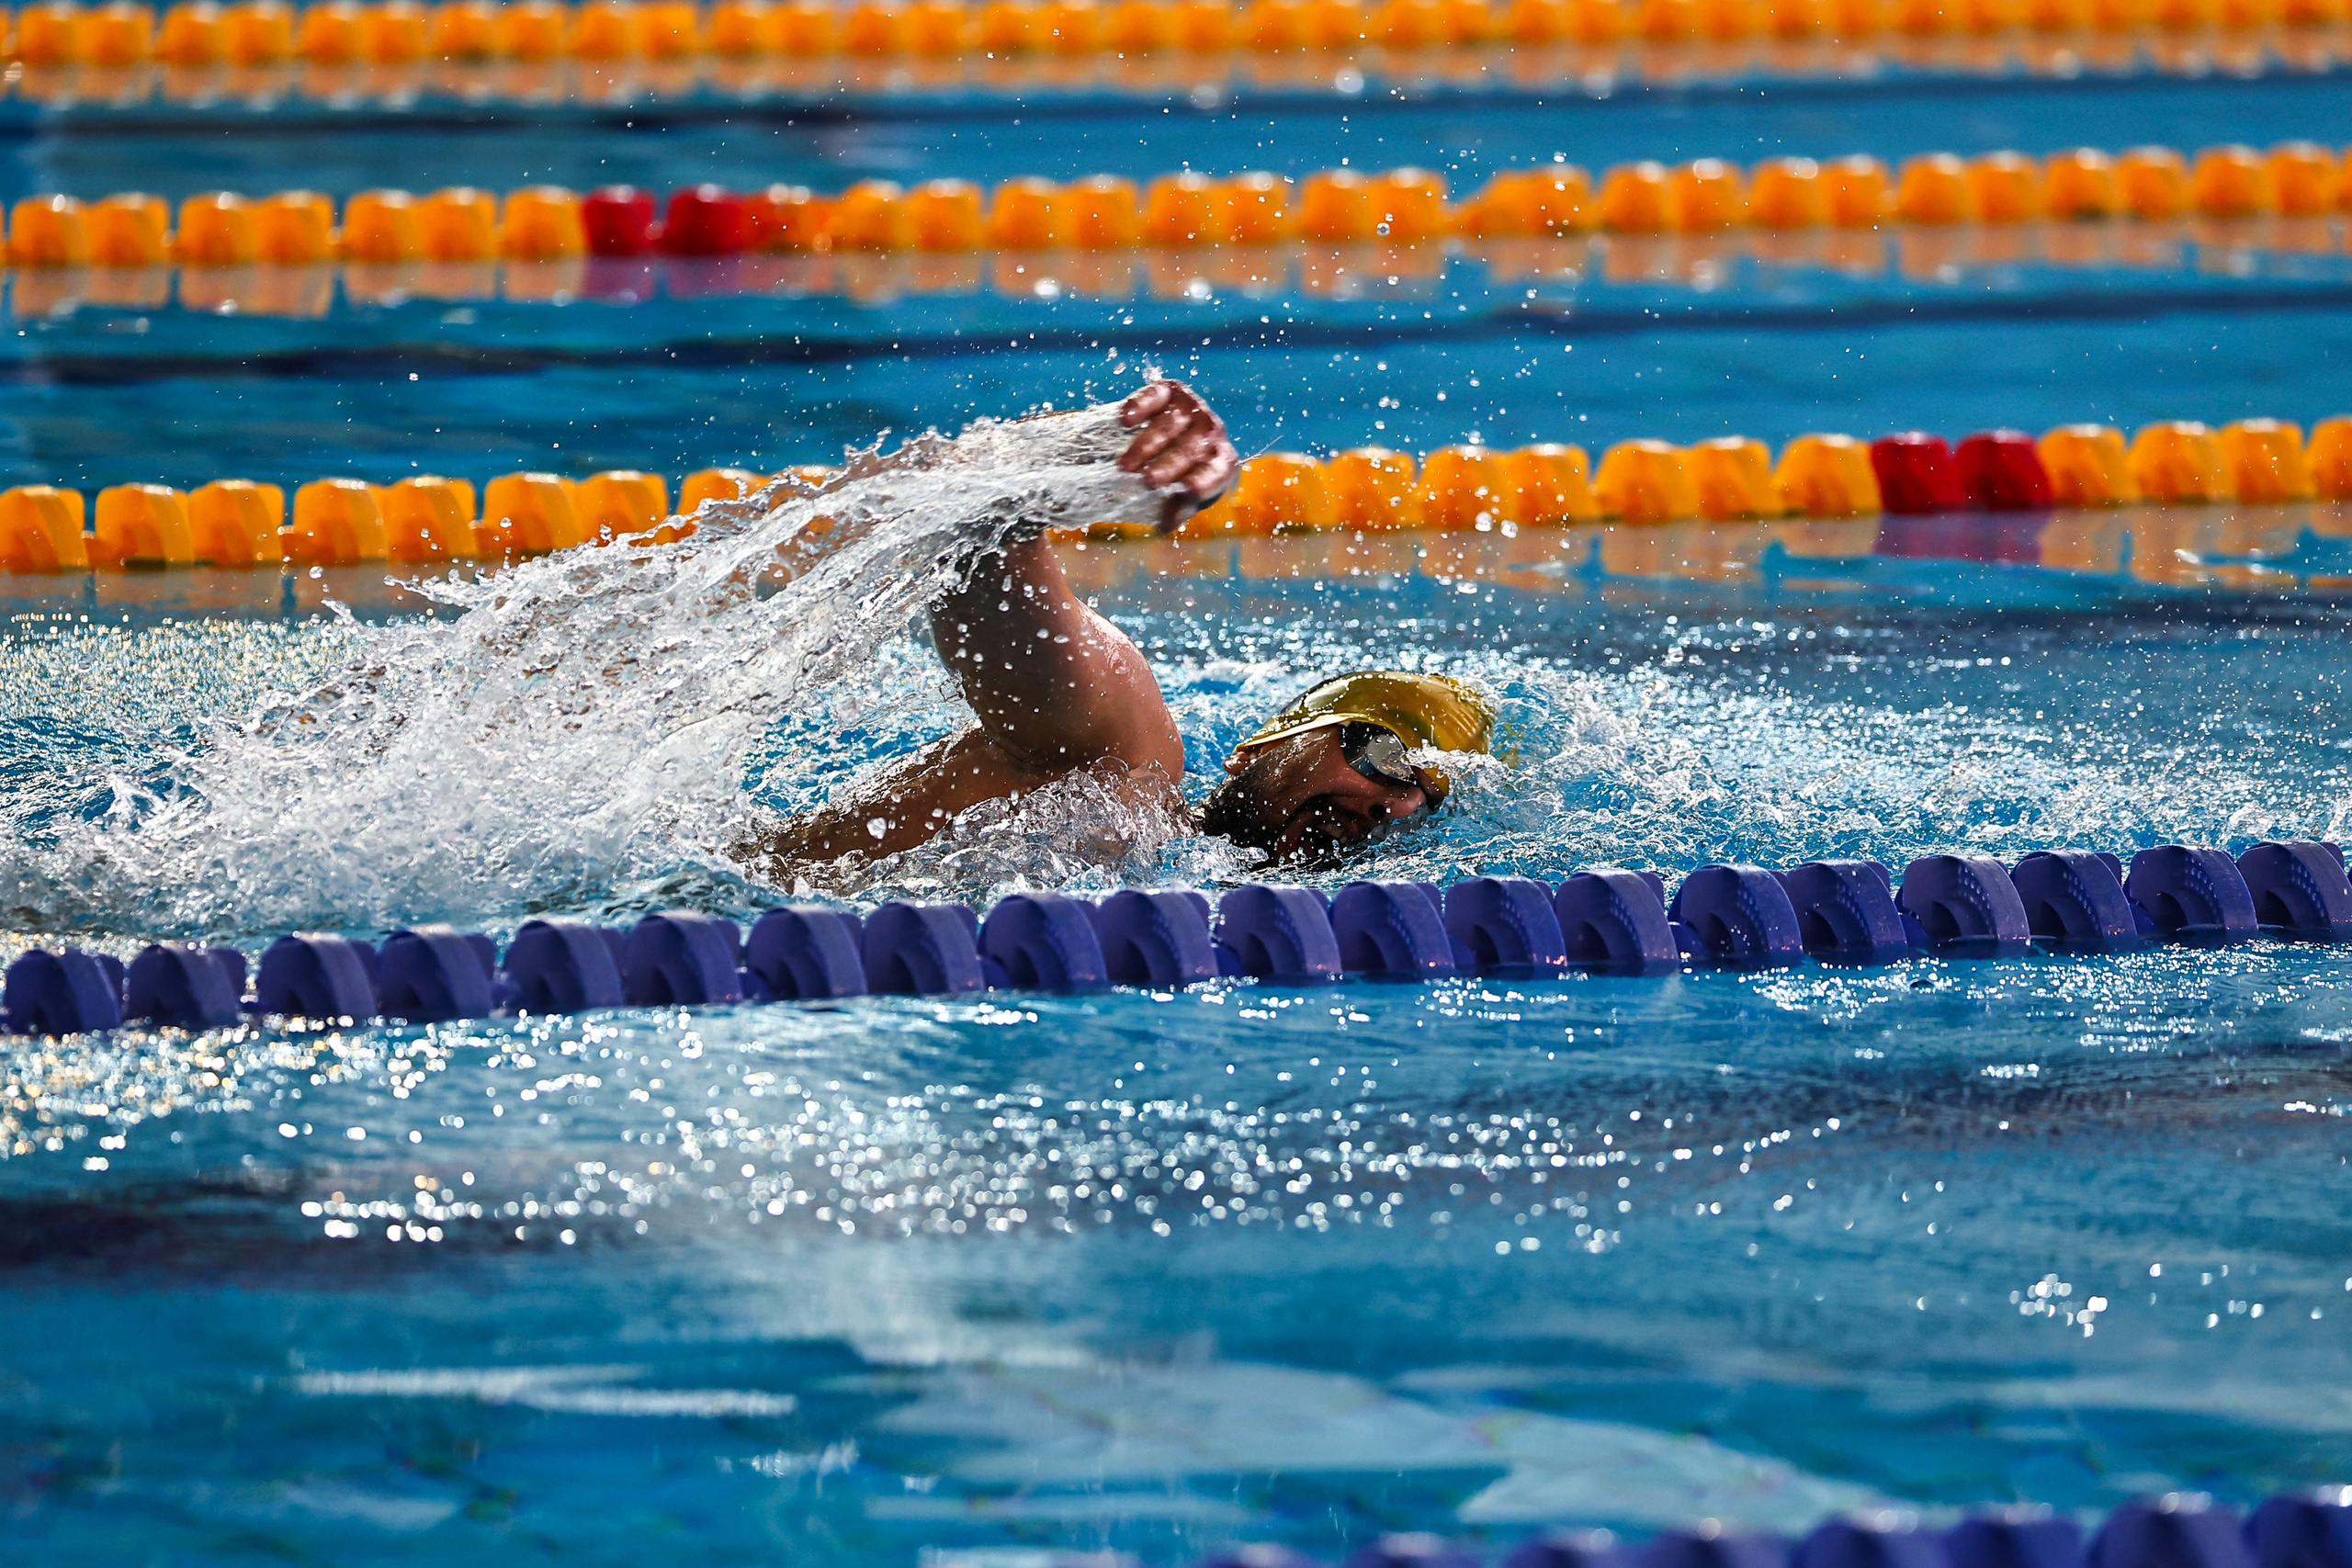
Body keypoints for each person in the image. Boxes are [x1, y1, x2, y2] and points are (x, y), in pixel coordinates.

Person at [752, 379, 1495, 873]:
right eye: (1385, 752)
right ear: (1259, 744)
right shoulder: (1122, 753)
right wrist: (1087, 459)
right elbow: (975, 529)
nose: (1390, 802)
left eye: (1424, 794)